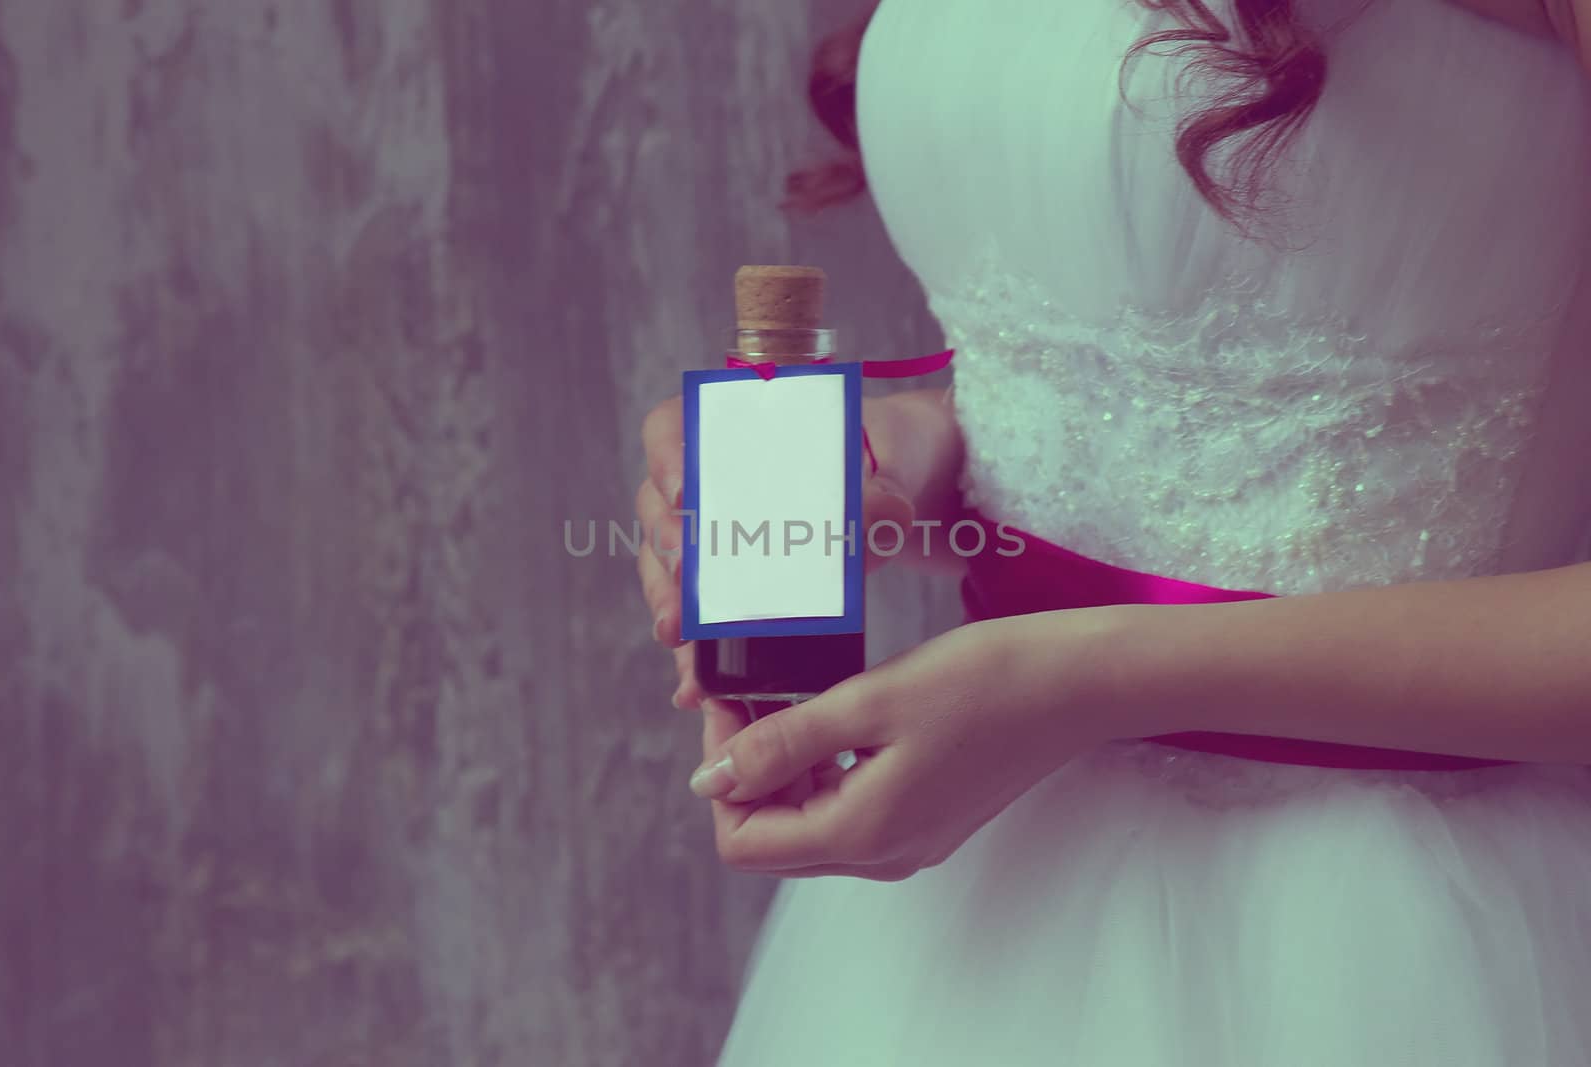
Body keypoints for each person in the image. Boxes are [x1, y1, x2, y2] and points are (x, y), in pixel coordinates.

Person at [634, 0, 1591, 1062]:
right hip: (982, 901)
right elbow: (1159, 341)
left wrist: (1094, 677)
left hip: (1399, 936)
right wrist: (904, 451)